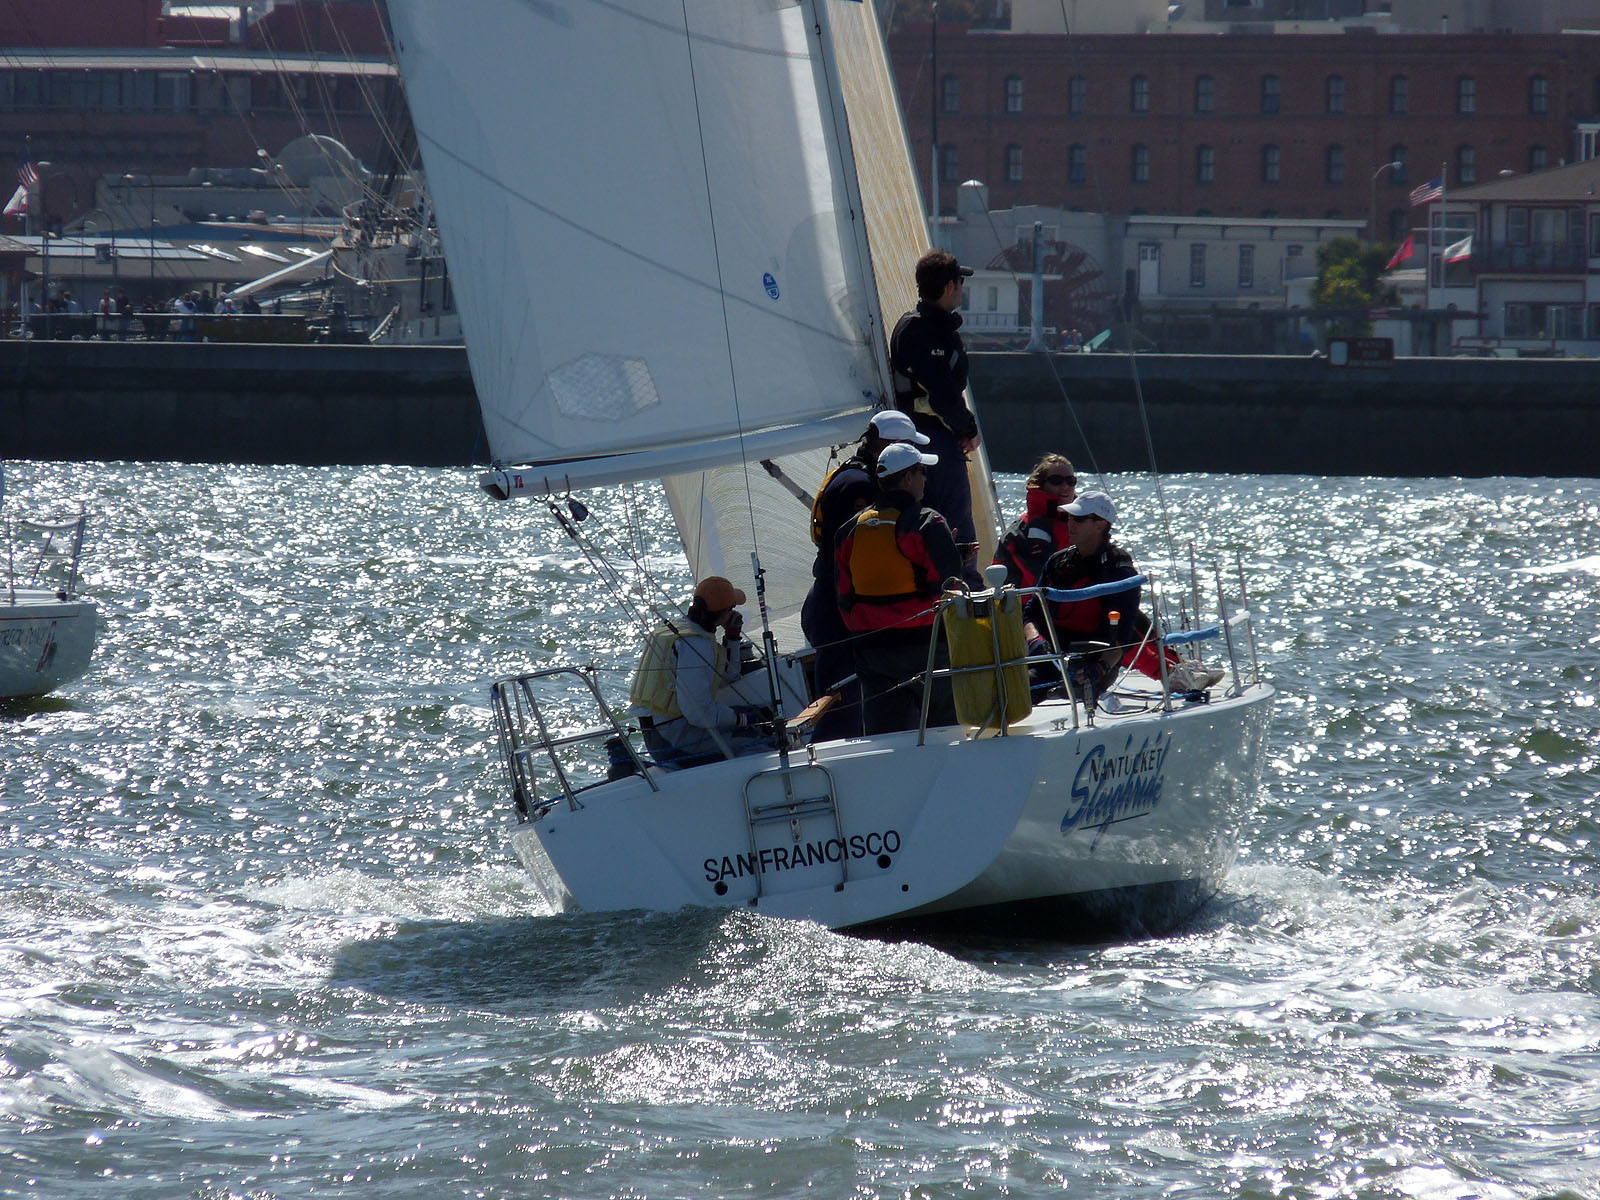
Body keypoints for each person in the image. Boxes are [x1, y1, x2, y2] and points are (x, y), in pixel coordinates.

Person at [800, 410, 930, 740]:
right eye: (909, 448)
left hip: (840, 604)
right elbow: (863, 551)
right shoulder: (858, 485)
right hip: (838, 609)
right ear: (889, 444)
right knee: (843, 705)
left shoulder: (853, 476)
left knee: (856, 702)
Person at [834, 441, 964, 734]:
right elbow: (948, 586)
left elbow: (843, 595)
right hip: (926, 644)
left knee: (884, 735)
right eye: (922, 472)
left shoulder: (849, 529)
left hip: (872, 648)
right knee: (945, 730)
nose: (925, 480)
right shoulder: (927, 522)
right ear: (908, 478)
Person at [889, 249, 980, 572]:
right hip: (930, 440)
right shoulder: (921, 331)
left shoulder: (928, 327)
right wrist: (968, 429)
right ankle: (963, 584)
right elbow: (940, 393)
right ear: (949, 287)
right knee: (954, 522)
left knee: (942, 521)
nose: (962, 289)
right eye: (960, 282)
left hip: (930, 436)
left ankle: (951, 580)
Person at [628, 576, 772, 764]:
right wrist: (742, 719)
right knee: (764, 740)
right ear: (724, 613)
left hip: (664, 730)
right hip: (673, 739)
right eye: (732, 609)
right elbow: (699, 714)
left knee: (756, 716)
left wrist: (732, 636)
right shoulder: (695, 645)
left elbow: (728, 675)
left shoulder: (683, 630)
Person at [1022, 491, 1141, 705]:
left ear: (1100, 524)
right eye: (1069, 518)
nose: (1070, 524)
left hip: (1093, 664)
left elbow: (1123, 636)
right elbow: (1030, 612)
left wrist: (1099, 668)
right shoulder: (1057, 562)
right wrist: (1035, 640)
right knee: (1010, 690)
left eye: (1078, 519)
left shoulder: (1118, 569)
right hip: (1050, 658)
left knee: (1070, 695)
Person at [992, 454, 1077, 589]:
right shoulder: (1027, 529)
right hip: (1034, 600)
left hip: (1069, 596)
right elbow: (1042, 579)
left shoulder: (1081, 522)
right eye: (1056, 480)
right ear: (1041, 485)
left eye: (1070, 481)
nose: (1065, 486)